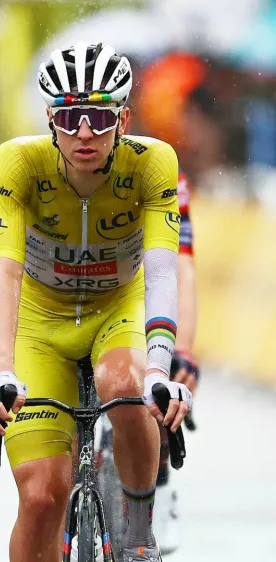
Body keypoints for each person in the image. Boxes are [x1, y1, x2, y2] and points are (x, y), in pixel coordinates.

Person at [0, 42, 193, 562]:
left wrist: (159, 369)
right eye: (69, 117)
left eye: (99, 117)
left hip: (117, 309)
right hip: (40, 323)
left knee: (124, 383)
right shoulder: (19, 161)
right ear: (50, 119)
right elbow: (4, 271)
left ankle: (137, 530)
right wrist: (1, 372)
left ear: (123, 119)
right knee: (40, 497)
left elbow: (163, 271)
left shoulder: (153, 162)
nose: (84, 133)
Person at [153, 167, 198, 553]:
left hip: (149, 288)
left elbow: (181, 268)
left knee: (159, 381)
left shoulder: (165, 175)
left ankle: (161, 481)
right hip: (83, 294)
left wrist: (182, 350)